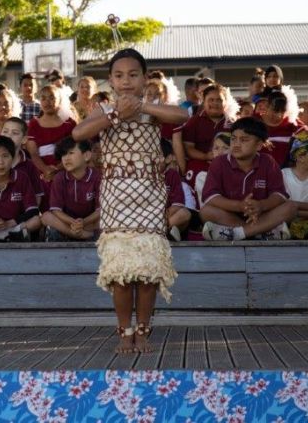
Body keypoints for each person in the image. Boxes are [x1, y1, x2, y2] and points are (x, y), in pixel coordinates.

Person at [72, 48, 187, 354]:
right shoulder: (104, 109)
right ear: (110, 80)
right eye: (119, 76)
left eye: (133, 75)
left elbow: (182, 115)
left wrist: (142, 106)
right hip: (115, 199)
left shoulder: (154, 108)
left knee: (147, 272)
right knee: (121, 274)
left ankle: (145, 330)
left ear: (145, 78)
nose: (126, 81)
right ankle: (125, 331)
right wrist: (114, 115)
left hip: (149, 197)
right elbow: (78, 131)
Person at [200, 117, 295, 241]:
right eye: (233, 139)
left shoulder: (268, 162)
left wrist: (261, 205)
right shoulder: (219, 162)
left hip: (262, 215)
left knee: (291, 207)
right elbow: (210, 197)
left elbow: (279, 195)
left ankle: (237, 234)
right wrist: (240, 206)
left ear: (259, 145)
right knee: (206, 211)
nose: (236, 144)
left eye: (244, 140)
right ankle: (261, 233)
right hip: (230, 215)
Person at [41, 136, 100, 241]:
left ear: (86, 155)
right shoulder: (59, 178)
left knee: (106, 219)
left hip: (89, 223)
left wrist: (83, 222)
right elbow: (56, 210)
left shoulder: (97, 177)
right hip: (67, 223)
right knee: (46, 216)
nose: (66, 158)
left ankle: (78, 232)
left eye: (71, 153)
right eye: (64, 154)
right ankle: (80, 234)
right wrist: (73, 223)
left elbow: (100, 210)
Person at [179, 83, 235, 188]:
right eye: (211, 100)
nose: (215, 103)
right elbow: (188, 148)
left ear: (225, 103)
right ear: (203, 102)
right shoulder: (194, 121)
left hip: (228, 165)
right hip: (199, 164)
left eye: (219, 100)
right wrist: (206, 156)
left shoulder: (233, 123)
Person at [27, 84, 77, 184]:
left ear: (59, 101)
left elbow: (74, 150)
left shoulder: (69, 123)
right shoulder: (34, 124)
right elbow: (33, 153)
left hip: (66, 170)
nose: (47, 102)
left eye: (52, 98)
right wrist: (45, 169)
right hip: (41, 173)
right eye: (43, 98)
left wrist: (58, 168)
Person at [0, 116, 44, 206]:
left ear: (24, 140)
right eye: (5, 131)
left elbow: (37, 196)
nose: (8, 136)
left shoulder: (29, 166)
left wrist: (27, 215)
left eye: (15, 133)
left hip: (22, 216)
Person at [258, 91, 304, 167]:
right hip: (258, 174)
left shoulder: (293, 125)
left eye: (282, 111)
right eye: (275, 110)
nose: (279, 115)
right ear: (266, 106)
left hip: (285, 174)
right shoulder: (254, 122)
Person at [282, 131, 308, 239]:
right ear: (300, 157)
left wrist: (293, 209)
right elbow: (279, 204)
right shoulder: (283, 174)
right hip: (285, 222)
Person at [194, 132, 231, 208]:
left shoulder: (241, 173)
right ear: (212, 152)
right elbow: (208, 207)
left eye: (226, 148)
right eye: (216, 148)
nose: (220, 152)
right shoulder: (203, 176)